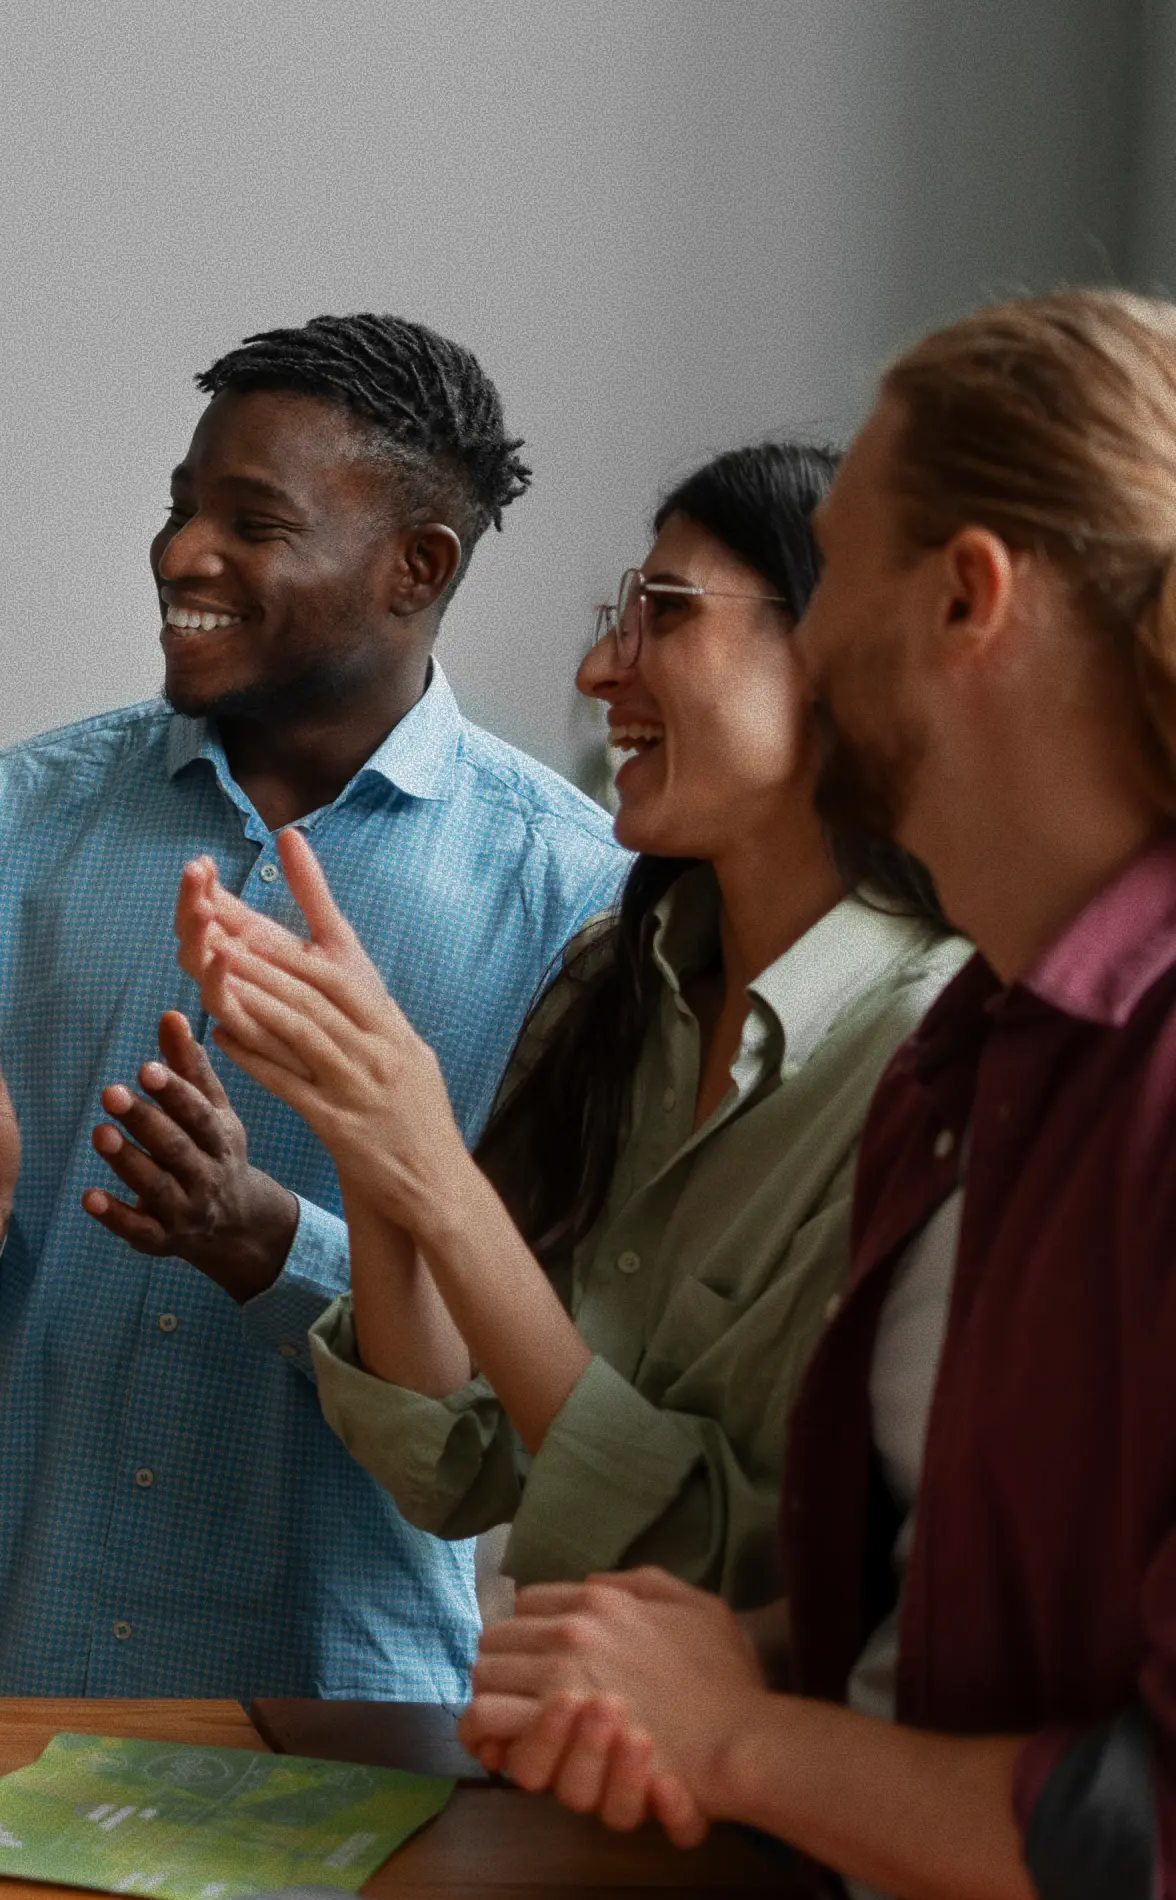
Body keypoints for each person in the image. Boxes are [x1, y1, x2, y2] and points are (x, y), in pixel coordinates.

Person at [461, 290, 1176, 1900]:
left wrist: (740, 1731)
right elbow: (955, 1634)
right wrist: (700, 1665)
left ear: (967, 598)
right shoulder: (971, 1063)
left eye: (839, 562)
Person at [0, 314, 628, 1701]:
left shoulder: (572, 902)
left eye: (253, 523)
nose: (182, 555)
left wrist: (272, 1247)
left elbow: (535, 1410)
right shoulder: (12, 820)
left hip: (339, 1727)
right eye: (184, 507)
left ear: (413, 566)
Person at [180, 443, 963, 1610]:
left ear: (836, 652)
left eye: (669, 614)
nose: (602, 670)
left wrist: (432, 1162)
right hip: (558, 1755)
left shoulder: (935, 1050)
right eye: (620, 616)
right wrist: (364, 1126)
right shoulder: (619, 981)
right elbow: (457, 1454)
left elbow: (738, 1560)